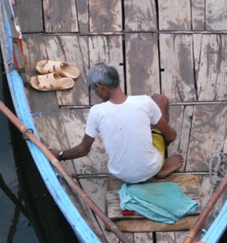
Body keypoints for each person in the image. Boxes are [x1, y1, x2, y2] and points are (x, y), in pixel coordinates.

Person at [49, 62, 183, 183]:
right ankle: (160, 166)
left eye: (93, 89)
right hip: (150, 169)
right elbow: (171, 136)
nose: (95, 92)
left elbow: (83, 150)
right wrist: (162, 138)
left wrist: (60, 155)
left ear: (100, 87)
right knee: (159, 99)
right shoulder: (144, 102)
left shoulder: (96, 112)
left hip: (122, 174)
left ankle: (155, 162)